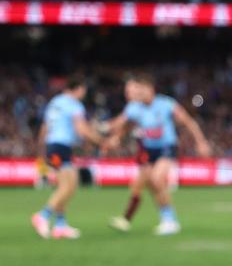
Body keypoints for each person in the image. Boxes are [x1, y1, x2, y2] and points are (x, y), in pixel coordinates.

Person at [104, 72, 212, 236]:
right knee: (147, 185)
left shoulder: (166, 103)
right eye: (137, 90)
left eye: (142, 90)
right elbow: (123, 124)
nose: (139, 93)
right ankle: (163, 219)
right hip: (148, 151)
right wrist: (112, 135)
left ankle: (170, 221)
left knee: (156, 179)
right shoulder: (134, 107)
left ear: (151, 89)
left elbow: (188, 122)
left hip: (167, 148)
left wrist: (201, 142)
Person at [30, 75, 106, 240]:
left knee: (66, 186)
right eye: (83, 90)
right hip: (61, 147)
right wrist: (100, 142)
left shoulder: (55, 102)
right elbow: (81, 130)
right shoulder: (74, 104)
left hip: (53, 147)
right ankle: (43, 216)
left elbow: (45, 127)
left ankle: (60, 226)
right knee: (68, 186)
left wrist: (41, 149)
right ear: (78, 89)